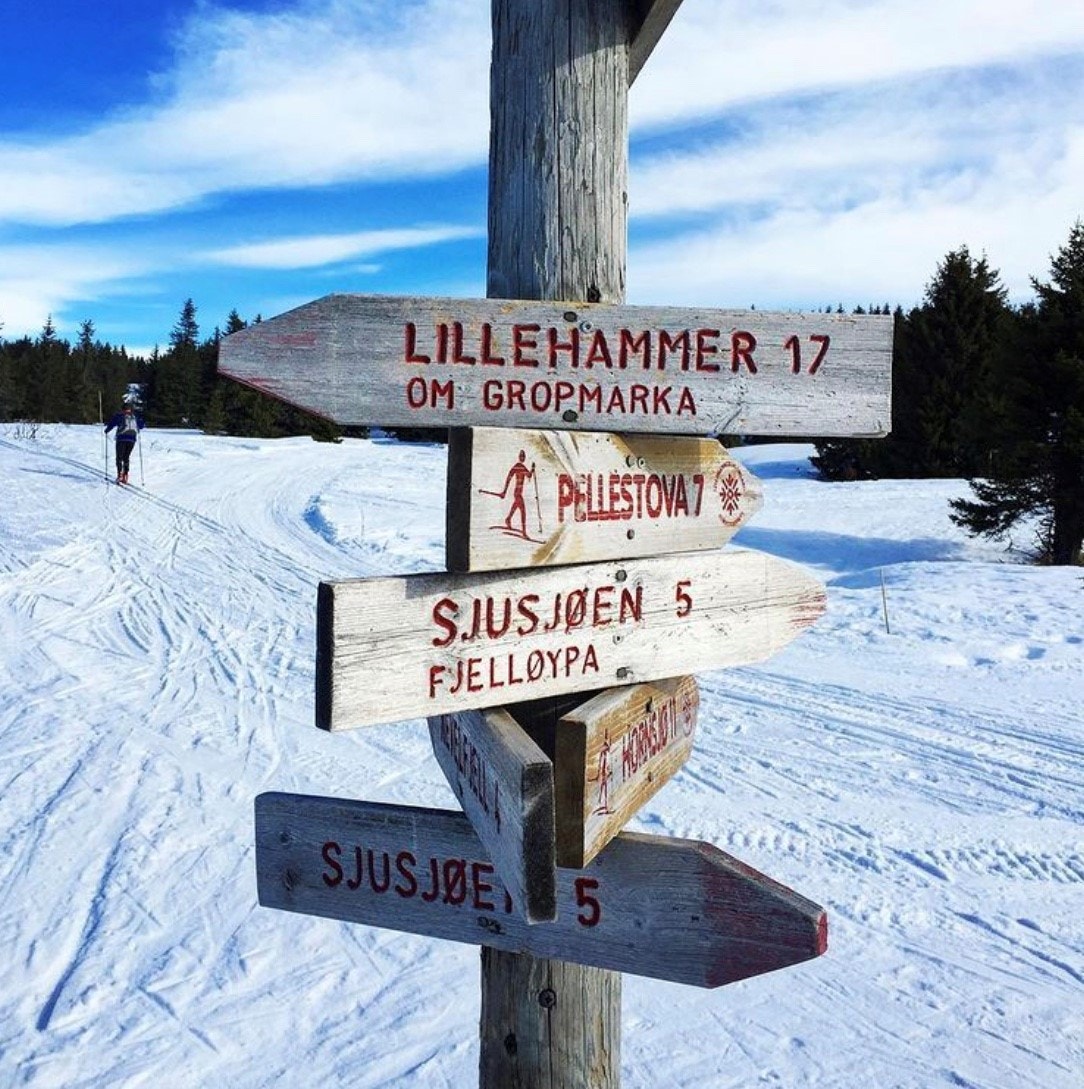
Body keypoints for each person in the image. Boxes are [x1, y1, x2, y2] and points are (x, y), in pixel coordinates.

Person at [104, 401, 144, 484]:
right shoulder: (134, 417)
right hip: (132, 440)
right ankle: (125, 475)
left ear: (123, 409)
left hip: (121, 439)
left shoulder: (120, 416)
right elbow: (141, 426)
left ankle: (119, 475)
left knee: (119, 457)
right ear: (130, 409)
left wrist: (107, 430)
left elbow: (112, 424)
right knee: (126, 457)